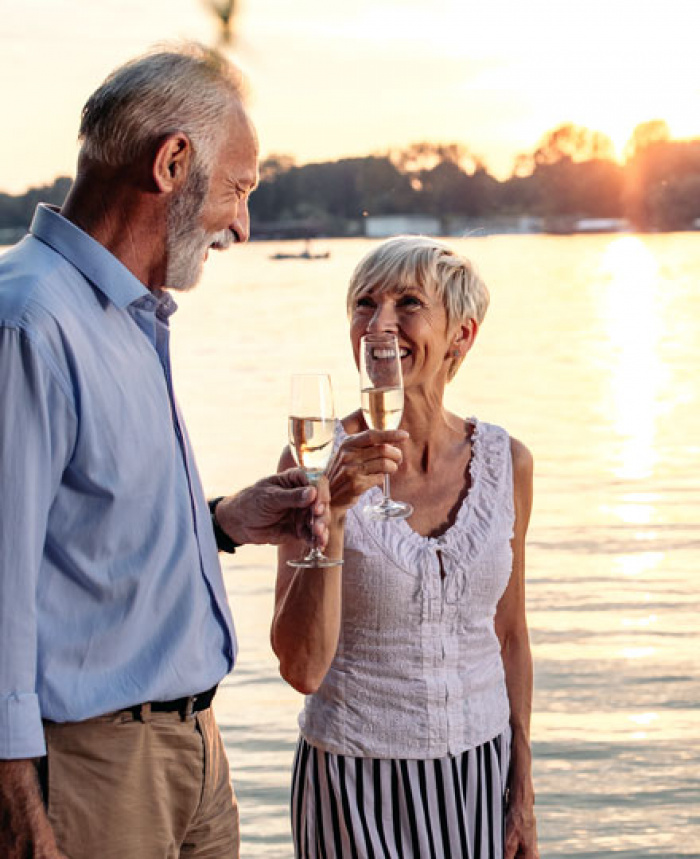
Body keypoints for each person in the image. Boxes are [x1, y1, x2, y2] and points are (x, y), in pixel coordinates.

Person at [0, 44, 329, 859]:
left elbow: (83, 531)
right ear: (173, 161)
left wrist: (224, 520)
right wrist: (19, 815)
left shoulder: (128, 315)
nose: (243, 227)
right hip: (98, 775)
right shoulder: (28, 323)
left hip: (195, 756)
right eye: (240, 190)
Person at [272, 235, 539, 858]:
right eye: (365, 304)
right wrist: (333, 513)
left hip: (479, 771)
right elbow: (300, 668)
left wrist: (522, 779)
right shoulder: (313, 460)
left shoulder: (507, 462)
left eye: (408, 303)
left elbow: (511, 634)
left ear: (461, 336)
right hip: (353, 779)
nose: (379, 324)